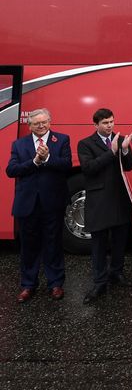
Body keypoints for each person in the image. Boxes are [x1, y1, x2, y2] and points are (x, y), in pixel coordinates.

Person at [6, 108, 72, 303]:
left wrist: (48, 158)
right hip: (27, 204)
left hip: (53, 202)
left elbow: (67, 164)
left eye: (44, 122)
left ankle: (56, 284)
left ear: (50, 122)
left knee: (53, 244)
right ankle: (28, 285)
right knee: (29, 246)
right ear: (30, 126)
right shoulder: (19, 144)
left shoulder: (62, 140)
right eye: (37, 123)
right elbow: (11, 170)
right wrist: (34, 161)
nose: (41, 126)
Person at [77, 108, 132, 304]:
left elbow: (130, 166)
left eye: (111, 121)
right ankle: (100, 281)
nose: (109, 125)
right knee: (99, 244)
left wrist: (126, 150)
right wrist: (111, 152)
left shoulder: (120, 140)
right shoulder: (85, 144)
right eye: (105, 123)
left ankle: (116, 273)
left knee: (120, 242)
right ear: (96, 125)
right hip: (100, 201)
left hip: (120, 199)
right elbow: (88, 168)